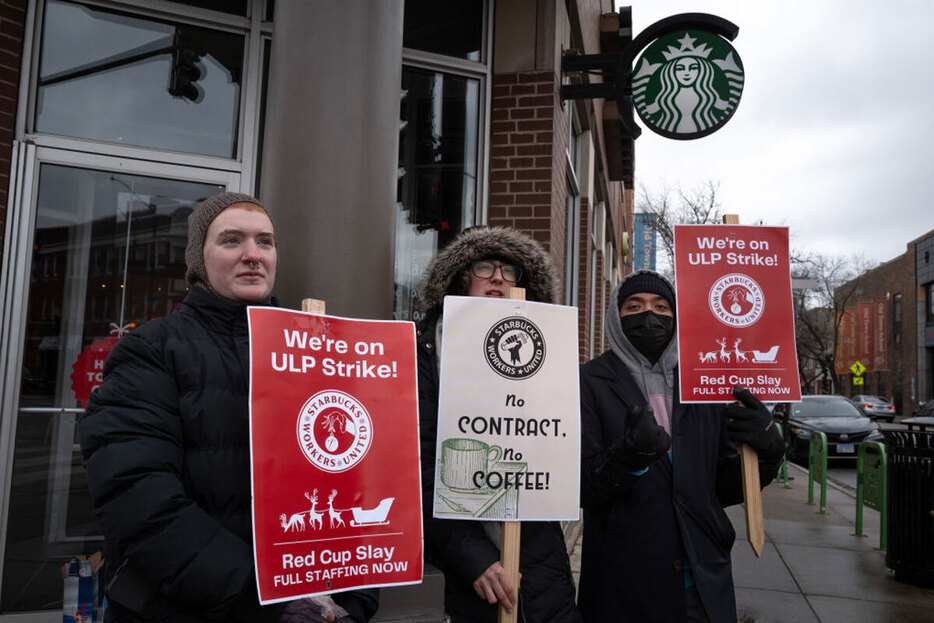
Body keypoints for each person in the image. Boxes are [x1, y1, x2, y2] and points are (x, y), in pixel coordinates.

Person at [78, 192, 378, 623]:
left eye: (266, 242)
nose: (253, 255)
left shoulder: (316, 354)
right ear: (199, 260)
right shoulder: (151, 351)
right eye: (232, 240)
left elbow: (356, 483)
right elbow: (139, 500)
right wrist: (264, 598)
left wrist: (355, 597)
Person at [577, 269, 784, 622]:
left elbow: (721, 484)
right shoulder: (589, 381)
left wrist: (768, 453)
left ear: (676, 315)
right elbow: (580, 486)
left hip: (702, 580)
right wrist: (628, 458)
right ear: (615, 315)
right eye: (634, 305)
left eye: (661, 306)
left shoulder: (705, 382)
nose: (649, 315)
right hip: (624, 584)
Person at [416, 226, 582, 623]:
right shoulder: (418, 355)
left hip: (539, 559)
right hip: (461, 564)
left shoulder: (551, 363)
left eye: (510, 272)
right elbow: (414, 467)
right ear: (461, 276)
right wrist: (471, 555)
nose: (498, 277)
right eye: (485, 266)